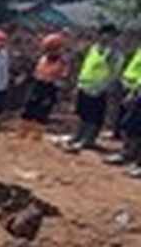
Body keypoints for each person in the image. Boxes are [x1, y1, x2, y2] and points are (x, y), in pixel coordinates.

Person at [65, 24, 123, 152]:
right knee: (82, 112)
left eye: (111, 35)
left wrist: (105, 86)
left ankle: (88, 139)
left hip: (99, 88)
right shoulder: (93, 48)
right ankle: (78, 136)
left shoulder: (113, 53)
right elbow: (86, 66)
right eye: (104, 33)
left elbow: (115, 73)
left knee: (94, 115)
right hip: (85, 84)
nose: (106, 37)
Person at [18, 33, 69, 139]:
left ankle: (37, 134)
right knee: (29, 106)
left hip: (50, 87)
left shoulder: (62, 62)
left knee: (43, 109)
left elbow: (63, 77)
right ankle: (23, 131)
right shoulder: (43, 58)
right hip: (38, 84)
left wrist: (58, 84)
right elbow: (36, 71)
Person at [106, 45, 141, 166]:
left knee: (133, 124)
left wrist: (135, 91)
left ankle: (131, 155)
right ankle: (128, 153)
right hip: (132, 88)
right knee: (129, 124)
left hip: (136, 91)